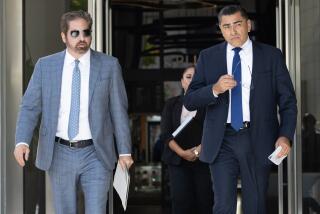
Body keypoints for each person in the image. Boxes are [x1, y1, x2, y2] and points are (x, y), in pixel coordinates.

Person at [13, 10, 133, 214]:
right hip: (59, 152)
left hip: (96, 152)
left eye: (86, 33)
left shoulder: (109, 66)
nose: (82, 39)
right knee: (65, 210)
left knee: (96, 210)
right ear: (63, 36)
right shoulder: (45, 66)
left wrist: (124, 151)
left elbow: (118, 111)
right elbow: (30, 107)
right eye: (75, 33)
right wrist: (22, 141)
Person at [184, 5, 297, 214]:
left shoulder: (271, 56)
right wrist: (215, 89)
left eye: (237, 24)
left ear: (248, 25)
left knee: (255, 205)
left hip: (257, 137)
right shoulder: (208, 57)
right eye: (226, 27)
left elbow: (288, 101)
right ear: (220, 29)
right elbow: (190, 100)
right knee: (223, 206)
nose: (233, 31)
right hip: (221, 139)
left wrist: (285, 135)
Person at [160, 65, 213, 214]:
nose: (192, 80)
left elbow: (213, 132)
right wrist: (182, 153)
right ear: (182, 81)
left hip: (203, 158)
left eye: (196, 77)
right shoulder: (171, 104)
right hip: (177, 159)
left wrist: (198, 151)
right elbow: (165, 134)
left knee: (205, 201)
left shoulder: (209, 104)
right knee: (181, 202)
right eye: (188, 77)